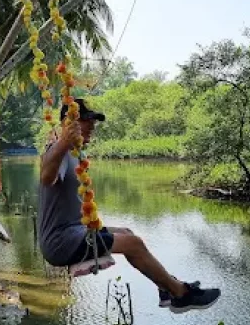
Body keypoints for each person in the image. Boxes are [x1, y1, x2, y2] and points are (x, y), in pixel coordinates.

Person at [36, 98, 221, 313]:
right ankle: (181, 295)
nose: (93, 127)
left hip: (75, 233)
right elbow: (46, 178)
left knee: (127, 233)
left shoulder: (73, 153)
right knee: (133, 244)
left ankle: (166, 287)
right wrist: (62, 144)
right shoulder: (58, 151)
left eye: (93, 121)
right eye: (87, 121)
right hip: (61, 242)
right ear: (69, 125)